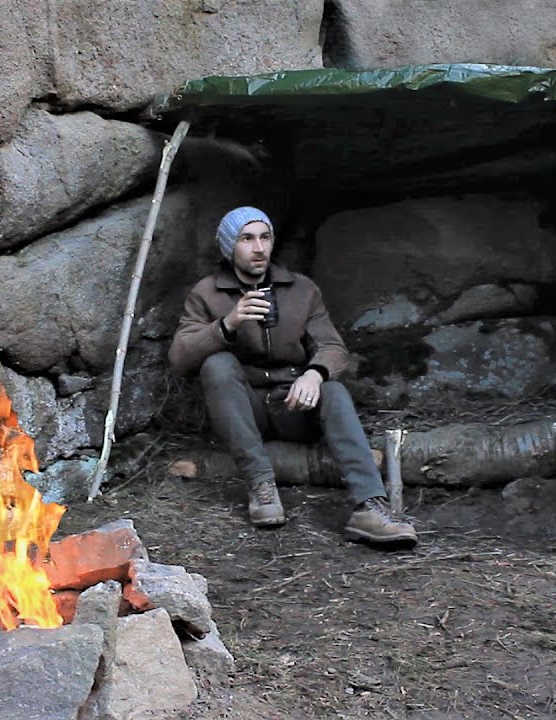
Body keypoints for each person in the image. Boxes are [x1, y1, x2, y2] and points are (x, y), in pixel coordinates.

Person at [168, 206, 418, 547]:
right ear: (230, 248)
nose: (258, 248)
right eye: (247, 239)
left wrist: (314, 374)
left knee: (333, 391)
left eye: (265, 237)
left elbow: (333, 347)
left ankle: (370, 506)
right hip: (244, 411)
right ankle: (261, 486)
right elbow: (181, 357)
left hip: (293, 405)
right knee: (218, 365)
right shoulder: (207, 293)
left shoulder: (300, 289)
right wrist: (228, 324)